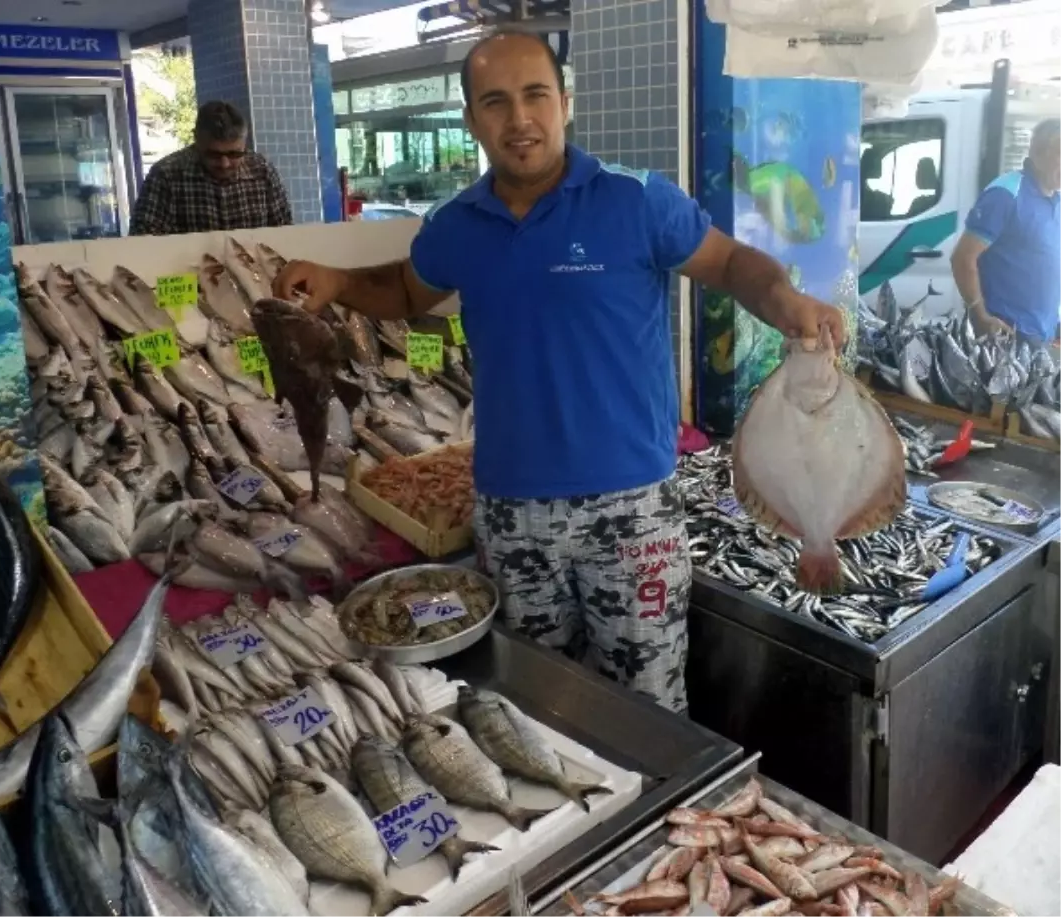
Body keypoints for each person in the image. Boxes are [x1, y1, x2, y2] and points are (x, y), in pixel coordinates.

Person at [273, 30, 844, 713]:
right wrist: (336, 279)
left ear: (565, 103)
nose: (519, 119)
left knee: (648, 709)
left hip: (631, 509)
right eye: (495, 102)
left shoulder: (636, 200)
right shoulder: (457, 225)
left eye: (535, 95)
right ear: (470, 121)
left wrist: (782, 298)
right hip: (513, 515)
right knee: (538, 703)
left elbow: (728, 263)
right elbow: (404, 291)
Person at [950, 118, 1061, 342]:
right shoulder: (1006, 193)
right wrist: (980, 315)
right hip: (1005, 336)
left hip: (1042, 334)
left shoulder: (1056, 197)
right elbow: (962, 258)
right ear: (1040, 154)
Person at [130, 100, 292, 236]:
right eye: (213, 155)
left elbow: (284, 233)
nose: (224, 164)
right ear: (196, 140)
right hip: (186, 272)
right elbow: (144, 242)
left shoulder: (262, 170)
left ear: (245, 142)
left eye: (234, 154)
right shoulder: (166, 175)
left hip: (254, 271)